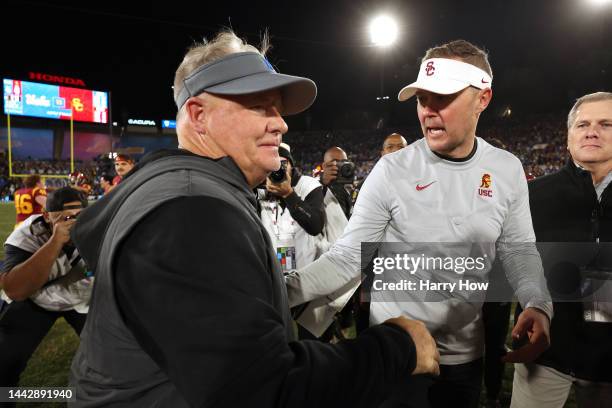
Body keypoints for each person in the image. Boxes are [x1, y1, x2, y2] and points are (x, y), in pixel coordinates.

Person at [69, 30, 439, 407]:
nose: (281, 124)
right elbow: (263, 390)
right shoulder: (191, 211)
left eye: (278, 108)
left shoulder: (190, 191)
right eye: (260, 106)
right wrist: (397, 349)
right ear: (198, 116)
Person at [286, 39, 552, 408]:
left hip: (464, 360)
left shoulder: (506, 169)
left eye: (443, 98)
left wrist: (537, 303)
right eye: (422, 98)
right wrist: (279, 291)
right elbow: (348, 258)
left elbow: (519, 251)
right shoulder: (392, 169)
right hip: (397, 354)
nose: (428, 110)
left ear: (483, 99)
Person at [511, 92, 612, 408]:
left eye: (606, 123)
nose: (591, 131)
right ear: (568, 139)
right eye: (582, 124)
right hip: (546, 353)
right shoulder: (533, 195)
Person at [0, 187, 91, 396]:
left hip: (81, 296)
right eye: (66, 216)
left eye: (79, 215)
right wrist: (55, 241)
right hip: (37, 297)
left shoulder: (96, 228)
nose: (73, 221)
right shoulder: (27, 234)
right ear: (46, 217)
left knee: (111, 358)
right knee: (4, 364)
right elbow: (15, 290)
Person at [259, 142, 325, 275]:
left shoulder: (307, 185)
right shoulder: (259, 186)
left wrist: (289, 194)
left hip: (304, 272)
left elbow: (315, 226)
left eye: (282, 164)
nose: (277, 169)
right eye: (272, 164)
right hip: (272, 272)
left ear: (291, 165)